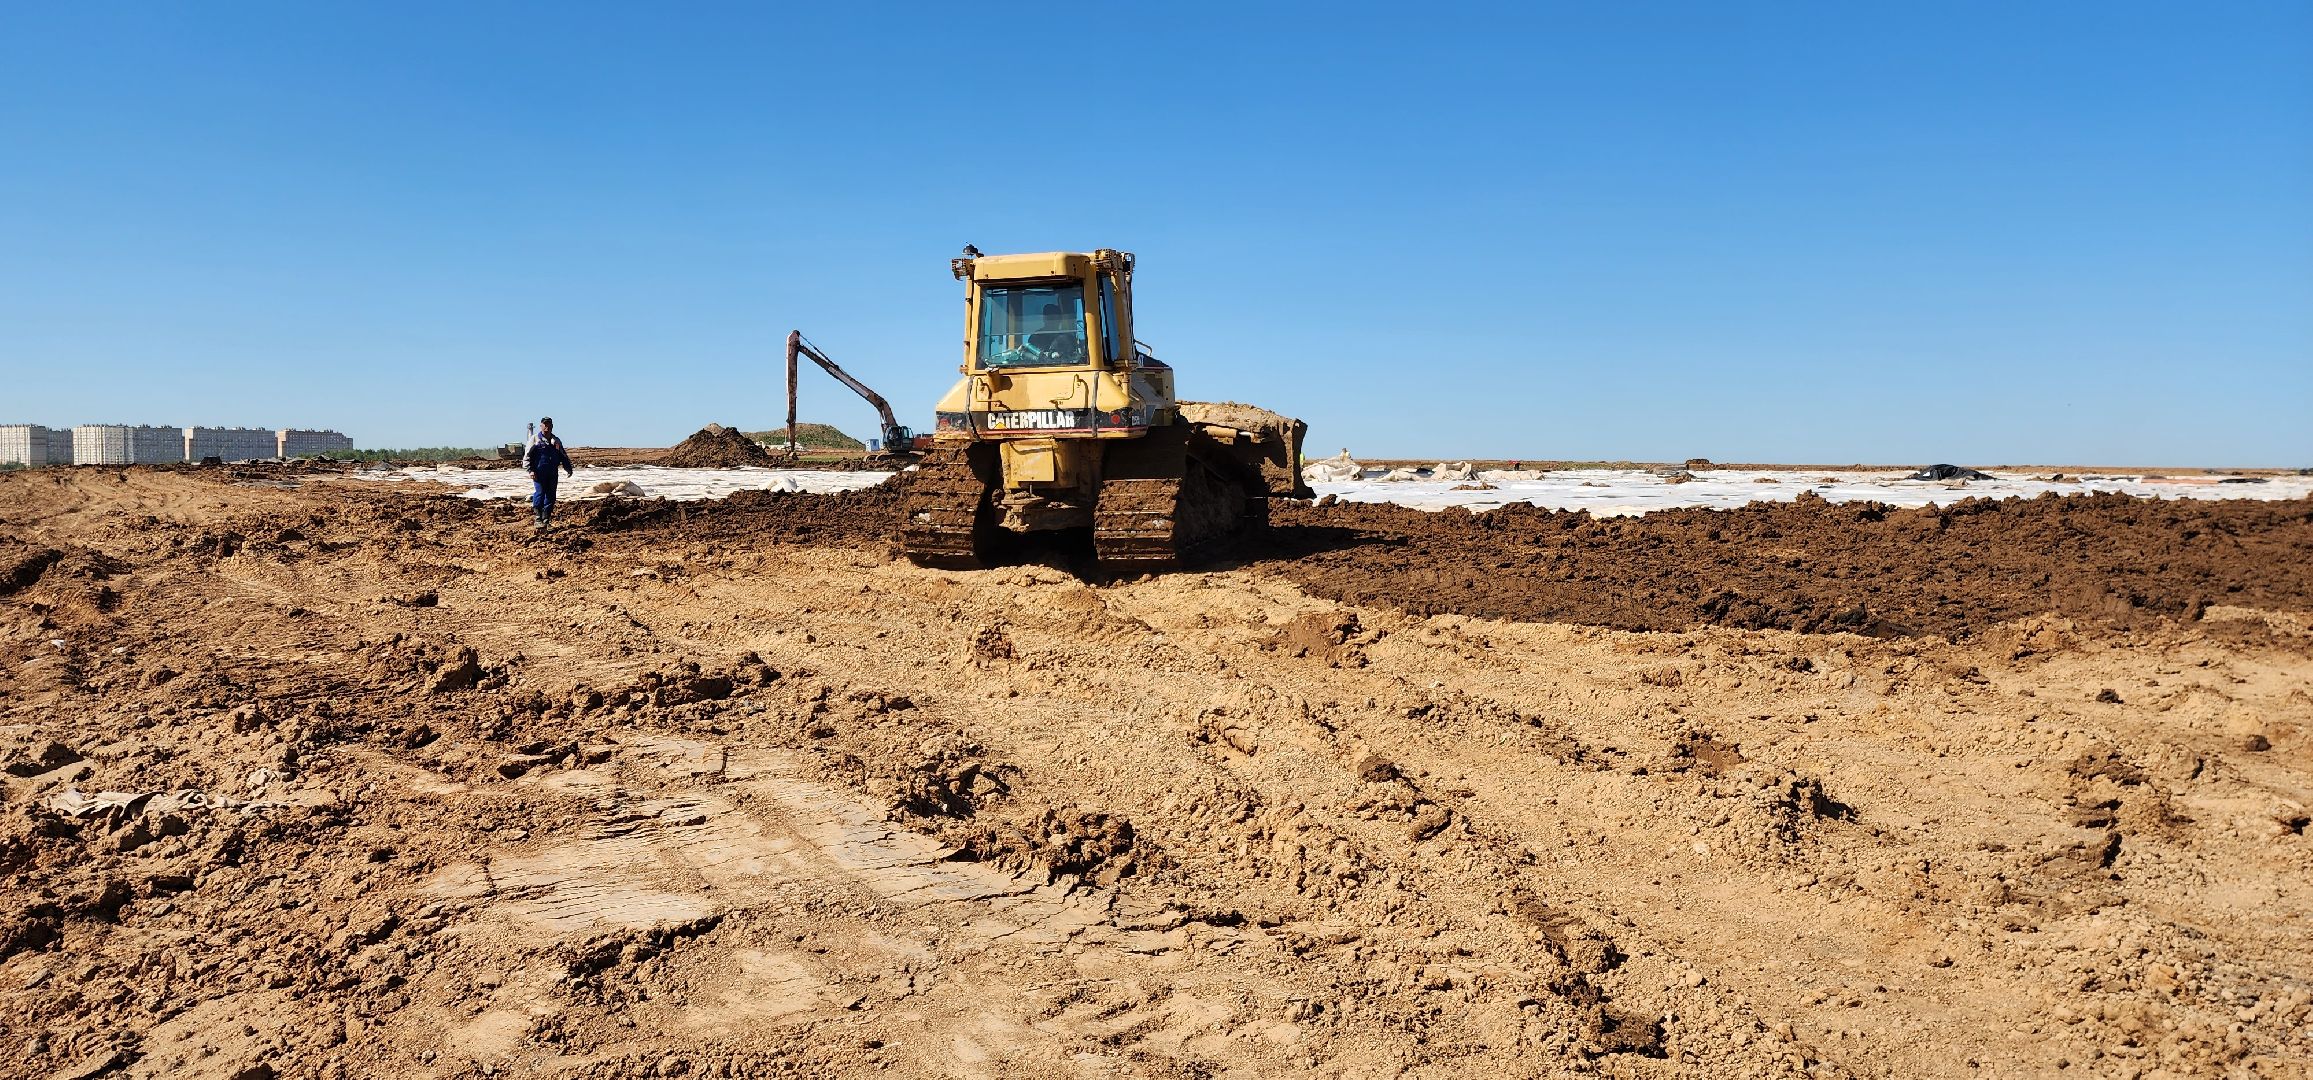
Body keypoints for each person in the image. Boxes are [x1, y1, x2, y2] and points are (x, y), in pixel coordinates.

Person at [522, 417, 576, 528]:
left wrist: (568, 468)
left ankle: (546, 520)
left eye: (549, 424)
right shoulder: (535, 439)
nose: (546, 426)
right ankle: (538, 518)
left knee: (551, 496)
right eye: (544, 424)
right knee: (540, 493)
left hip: (552, 473)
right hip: (539, 472)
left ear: (552, 426)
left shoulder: (556, 440)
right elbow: (527, 456)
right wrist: (530, 470)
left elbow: (562, 455)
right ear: (541, 425)